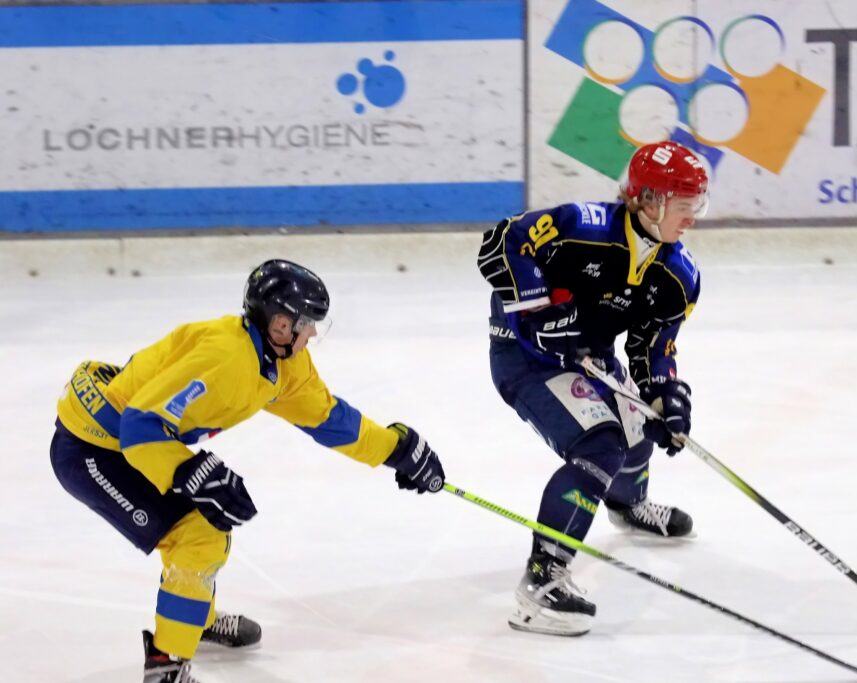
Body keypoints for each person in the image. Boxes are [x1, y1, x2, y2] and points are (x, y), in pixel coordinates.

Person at [51, 259, 446, 683]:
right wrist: (189, 472)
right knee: (199, 536)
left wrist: (396, 450)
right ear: (279, 324)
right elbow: (139, 426)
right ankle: (166, 668)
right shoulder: (225, 358)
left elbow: (329, 418)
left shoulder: (282, 364)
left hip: (133, 443)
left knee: (203, 530)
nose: (312, 333)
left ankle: (192, 615)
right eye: (307, 322)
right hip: (93, 450)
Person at [477, 141, 707, 636]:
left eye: (696, 206)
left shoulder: (678, 277)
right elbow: (504, 242)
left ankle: (626, 505)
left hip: (590, 356)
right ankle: (541, 583)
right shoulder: (582, 226)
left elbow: (652, 347)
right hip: (527, 357)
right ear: (648, 200)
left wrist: (664, 393)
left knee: (640, 430)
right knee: (599, 445)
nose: (691, 218)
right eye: (683, 205)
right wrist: (537, 309)